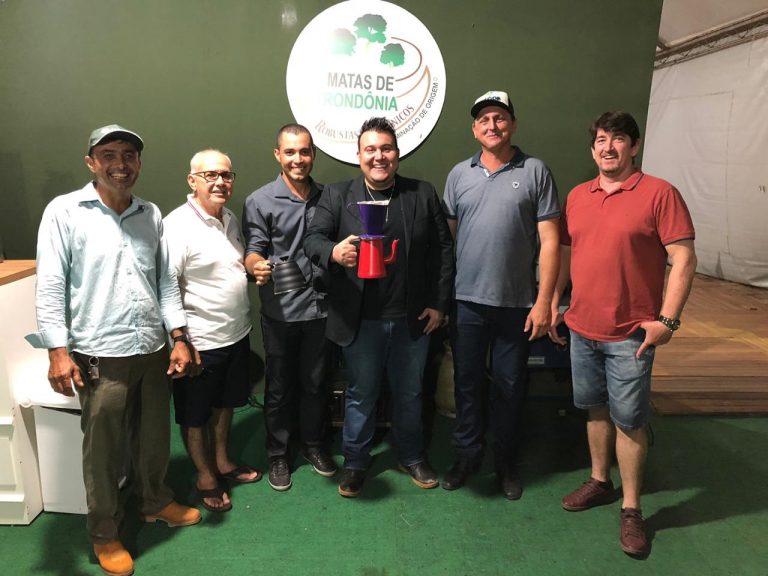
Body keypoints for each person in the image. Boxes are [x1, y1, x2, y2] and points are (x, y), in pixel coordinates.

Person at [32, 125, 201, 576]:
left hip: (150, 348)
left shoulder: (150, 213)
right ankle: (104, 533)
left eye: (128, 154)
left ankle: (154, 501)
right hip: (98, 355)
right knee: (103, 453)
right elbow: (50, 286)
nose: (120, 164)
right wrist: (57, 351)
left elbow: (164, 281)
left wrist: (179, 337)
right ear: (91, 162)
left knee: (153, 439)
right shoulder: (65, 212)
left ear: (139, 163)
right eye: (108, 154)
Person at [549, 111, 696, 557]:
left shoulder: (660, 194)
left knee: (630, 421)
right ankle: (600, 481)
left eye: (617, 139)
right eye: (600, 139)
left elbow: (683, 258)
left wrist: (667, 321)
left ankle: (631, 508)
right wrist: (555, 301)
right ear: (592, 148)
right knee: (595, 410)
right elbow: (568, 254)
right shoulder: (578, 196)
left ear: (634, 146)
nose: (608, 147)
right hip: (582, 328)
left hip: (632, 334)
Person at [305, 116, 454, 498]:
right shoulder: (337, 195)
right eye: (370, 149)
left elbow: (443, 250)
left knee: (410, 393)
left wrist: (439, 304)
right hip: (360, 320)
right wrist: (334, 252)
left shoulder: (422, 194)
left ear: (397, 154)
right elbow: (313, 239)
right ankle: (355, 462)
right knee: (361, 393)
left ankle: (412, 456)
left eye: (386, 148)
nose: (379, 156)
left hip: (412, 318)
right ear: (359, 156)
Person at [441, 91, 561, 500]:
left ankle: (506, 462)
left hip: (517, 305)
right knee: (467, 385)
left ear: (513, 124)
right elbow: (448, 241)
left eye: (499, 117)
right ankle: (467, 456)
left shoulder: (535, 171)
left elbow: (550, 241)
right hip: (466, 302)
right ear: (474, 129)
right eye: (484, 120)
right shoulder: (459, 174)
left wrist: (544, 301)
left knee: (510, 387)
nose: (492, 125)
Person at [163, 149, 260, 513]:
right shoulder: (176, 226)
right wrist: (180, 339)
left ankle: (222, 462)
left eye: (226, 175)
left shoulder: (229, 218)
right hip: (199, 341)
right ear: (192, 181)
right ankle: (205, 476)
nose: (220, 182)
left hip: (236, 333)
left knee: (225, 405)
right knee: (195, 415)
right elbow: (167, 286)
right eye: (210, 175)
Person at [242, 124, 336, 491]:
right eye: (291, 152)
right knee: (279, 386)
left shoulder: (329, 197)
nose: (298, 159)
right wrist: (256, 266)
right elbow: (253, 250)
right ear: (278, 155)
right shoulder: (260, 200)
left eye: (305, 151)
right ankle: (278, 454)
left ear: (313, 154)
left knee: (316, 383)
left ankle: (314, 445)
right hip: (281, 311)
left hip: (322, 309)